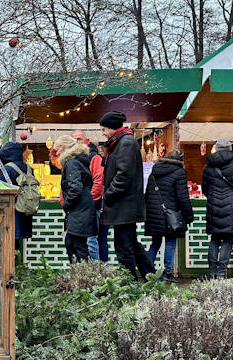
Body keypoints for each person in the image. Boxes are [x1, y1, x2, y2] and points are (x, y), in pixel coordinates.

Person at [99, 111, 155, 280]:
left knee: (123, 245)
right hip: (123, 204)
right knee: (131, 243)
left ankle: (129, 281)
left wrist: (109, 194)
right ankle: (151, 277)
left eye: (104, 129)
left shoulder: (126, 143)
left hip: (123, 204)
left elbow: (124, 174)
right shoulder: (121, 142)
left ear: (111, 127)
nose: (102, 132)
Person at [202, 140, 233, 279]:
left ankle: (212, 271)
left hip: (214, 205)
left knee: (215, 238)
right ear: (230, 148)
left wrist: (212, 197)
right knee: (228, 238)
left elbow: (205, 186)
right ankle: (221, 271)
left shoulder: (209, 164)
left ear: (216, 149)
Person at [144, 149, 194, 283]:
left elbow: (148, 194)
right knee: (170, 242)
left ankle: (148, 271)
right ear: (180, 160)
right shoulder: (179, 172)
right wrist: (189, 216)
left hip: (154, 213)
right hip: (171, 214)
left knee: (155, 242)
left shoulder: (154, 171)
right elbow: (182, 197)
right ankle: (167, 272)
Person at [55, 135, 96, 263]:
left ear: (65, 148)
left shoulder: (71, 163)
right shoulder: (79, 161)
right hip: (82, 209)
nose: (56, 152)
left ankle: (84, 278)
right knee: (72, 243)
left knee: (78, 246)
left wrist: (66, 204)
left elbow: (75, 188)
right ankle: (80, 276)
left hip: (79, 210)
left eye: (58, 148)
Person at [71, 129, 108, 262]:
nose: (76, 142)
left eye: (79, 139)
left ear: (87, 141)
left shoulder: (94, 157)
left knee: (93, 239)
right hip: (86, 206)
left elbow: (99, 182)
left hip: (94, 206)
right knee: (91, 240)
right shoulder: (77, 158)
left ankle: (98, 273)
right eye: (73, 139)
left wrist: (89, 201)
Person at [0, 142, 34, 250]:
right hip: (25, 210)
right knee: (16, 244)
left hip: (10, 212)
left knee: (7, 245)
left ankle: (11, 266)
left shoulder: (6, 169)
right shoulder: (29, 168)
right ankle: (18, 264)